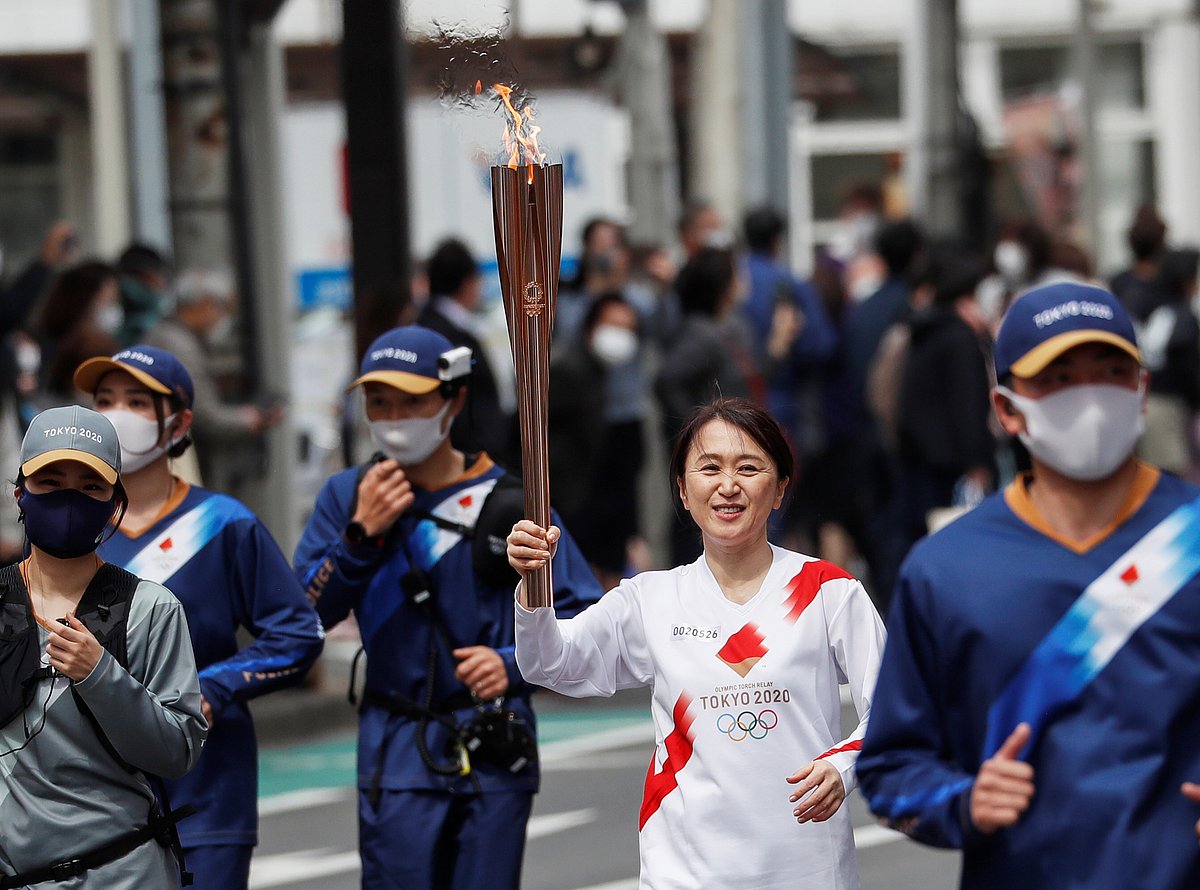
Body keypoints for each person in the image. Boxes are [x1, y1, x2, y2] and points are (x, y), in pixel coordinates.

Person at [857, 281, 1200, 888]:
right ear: (1007, 409)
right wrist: (964, 801)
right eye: (1058, 377)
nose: (1090, 396)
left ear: (1142, 391)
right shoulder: (946, 569)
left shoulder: (1192, 536)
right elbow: (891, 768)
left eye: (1111, 371)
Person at [508, 397, 886, 890]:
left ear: (780, 489)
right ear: (684, 492)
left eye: (749, 468)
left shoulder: (827, 591)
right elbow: (548, 664)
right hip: (686, 873)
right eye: (710, 469)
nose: (728, 485)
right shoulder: (652, 599)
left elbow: (894, 705)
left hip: (806, 868)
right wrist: (534, 587)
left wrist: (842, 766)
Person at [293, 325, 603, 890]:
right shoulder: (347, 496)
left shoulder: (514, 499)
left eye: (412, 401)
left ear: (454, 400)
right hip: (396, 746)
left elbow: (587, 617)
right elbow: (303, 615)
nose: (393, 417)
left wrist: (511, 663)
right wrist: (361, 536)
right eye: (378, 402)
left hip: (493, 739)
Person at [73, 345, 325, 890]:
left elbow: (297, 634)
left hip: (205, 794)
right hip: (93, 802)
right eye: (105, 400)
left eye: (138, 402)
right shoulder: (67, 530)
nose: (117, 414)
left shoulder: (225, 524)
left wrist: (214, 686)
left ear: (180, 421)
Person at [0, 405, 206, 888]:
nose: (69, 498)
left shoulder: (150, 608)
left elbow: (177, 752)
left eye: (90, 486)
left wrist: (101, 676)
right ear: (18, 493)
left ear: (115, 503)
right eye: (50, 483)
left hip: (123, 872)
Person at [145, 268, 282, 486]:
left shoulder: (169, 335)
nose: (223, 318)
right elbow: (204, 416)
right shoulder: (180, 345)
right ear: (205, 303)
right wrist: (249, 419)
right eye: (223, 308)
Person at [416, 239, 509, 461]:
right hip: (466, 460)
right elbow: (458, 410)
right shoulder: (446, 336)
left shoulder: (434, 326)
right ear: (467, 283)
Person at [29, 259, 123, 405]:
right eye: (110, 298)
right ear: (87, 299)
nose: (114, 306)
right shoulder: (82, 347)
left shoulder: (100, 345)